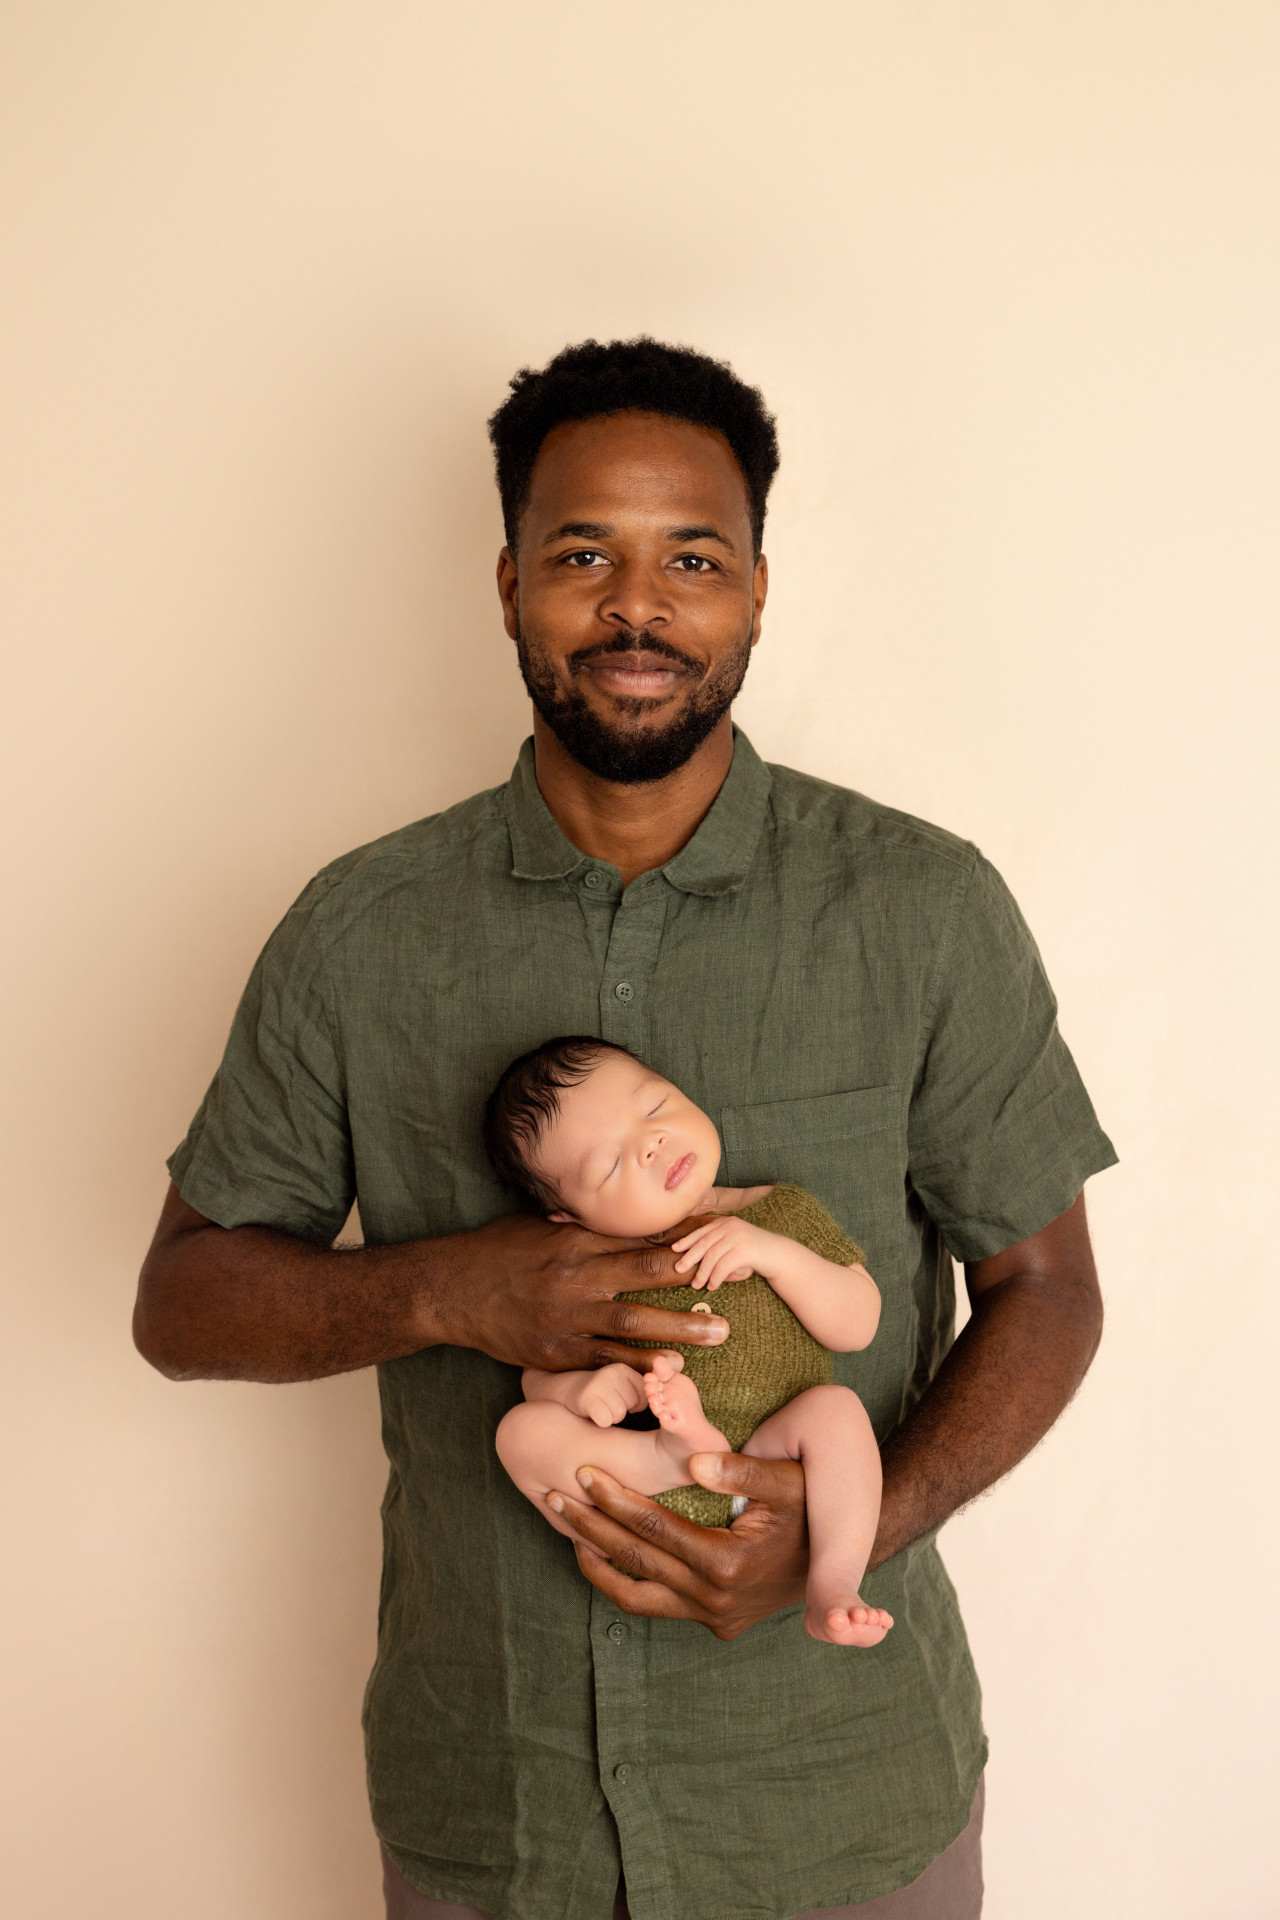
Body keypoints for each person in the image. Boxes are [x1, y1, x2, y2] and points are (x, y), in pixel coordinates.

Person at [134, 336, 1116, 1920]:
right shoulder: (360, 931)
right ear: (511, 578)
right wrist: (457, 1289)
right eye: (585, 555)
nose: (638, 608)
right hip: (492, 1808)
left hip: (840, 1805)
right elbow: (180, 1305)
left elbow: (1049, 1292)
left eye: (694, 560)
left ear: (759, 587)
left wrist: (849, 1524)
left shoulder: (924, 910)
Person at [486, 1035, 894, 1648]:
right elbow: (535, 1374)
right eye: (611, 1165)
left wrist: (774, 1255)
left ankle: (833, 1583)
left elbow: (859, 1323)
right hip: (648, 1493)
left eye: (654, 1108)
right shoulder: (593, 1268)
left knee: (837, 1413)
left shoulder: (781, 1214)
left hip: (777, 1460)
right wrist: (580, 1387)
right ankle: (672, 1453)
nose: (650, 1142)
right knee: (520, 1432)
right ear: (569, 1219)